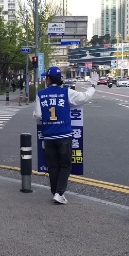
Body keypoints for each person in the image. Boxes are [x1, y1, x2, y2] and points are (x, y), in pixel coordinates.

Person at [34, 67, 98, 204]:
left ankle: (55, 192)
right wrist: (92, 85)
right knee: (65, 165)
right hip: (64, 135)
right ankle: (59, 193)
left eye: (46, 78)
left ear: (49, 79)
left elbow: (38, 116)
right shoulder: (66, 92)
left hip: (48, 136)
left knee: (52, 166)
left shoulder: (41, 94)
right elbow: (84, 97)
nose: (45, 80)